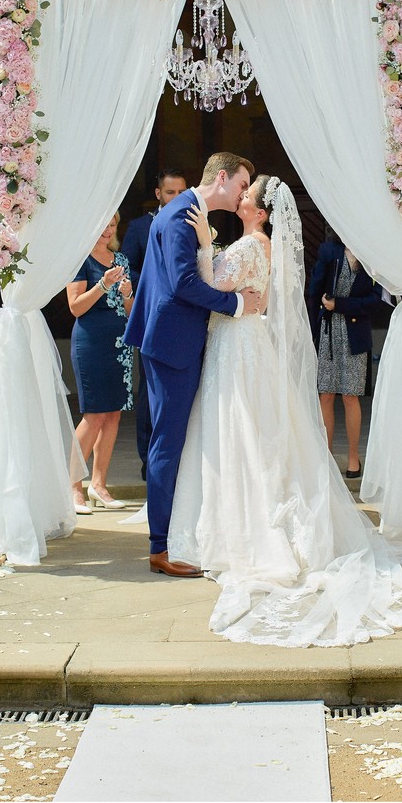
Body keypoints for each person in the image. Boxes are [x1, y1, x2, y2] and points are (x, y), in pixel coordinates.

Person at [167, 176, 402, 647]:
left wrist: (206, 245)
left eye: (248, 195)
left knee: (241, 432)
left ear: (261, 211)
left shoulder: (252, 245)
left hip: (238, 344)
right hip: (245, 342)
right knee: (247, 430)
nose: (242, 196)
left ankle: (248, 528)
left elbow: (214, 287)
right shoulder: (260, 243)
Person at [124, 152, 263, 577]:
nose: (243, 193)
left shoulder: (184, 211)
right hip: (171, 343)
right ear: (222, 178)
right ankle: (161, 547)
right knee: (167, 442)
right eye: (241, 184)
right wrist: (238, 303)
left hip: (168, 339)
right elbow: (184, 284)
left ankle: (174, 534)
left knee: (171, 440)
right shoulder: (182, 215)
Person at [121, 168, 187, 480]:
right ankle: (149, 459)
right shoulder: (139, 227)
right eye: (170, 192)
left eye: (181, 192)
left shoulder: (195, 223)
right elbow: (127, 267)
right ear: (158, 194)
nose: (176, 198)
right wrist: (157, 282)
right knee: (150, 390)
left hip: (187, 322)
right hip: (151, 318)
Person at [66, 213, 134, 513]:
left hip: (119, 344)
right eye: (103, 224)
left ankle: (99, 484)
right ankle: (72, 488)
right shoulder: (80, 259)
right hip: (91, 343)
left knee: (114, 415)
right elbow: (76, 307)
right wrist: (104, 286)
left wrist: (128, 293)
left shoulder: (120, 258)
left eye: (112, 225)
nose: (108, 230)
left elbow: (131, 311)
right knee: (94, 415)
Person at [309, 237, 382, 479]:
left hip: (355, 334)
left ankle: (353, 457)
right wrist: (310, 330)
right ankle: (326, 456)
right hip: (328, 333)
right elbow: (314, 290)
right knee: (327, 394)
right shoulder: (329, 249)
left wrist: (339, 304)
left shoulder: (370, 253)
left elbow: (374, 302)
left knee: (351, 396)